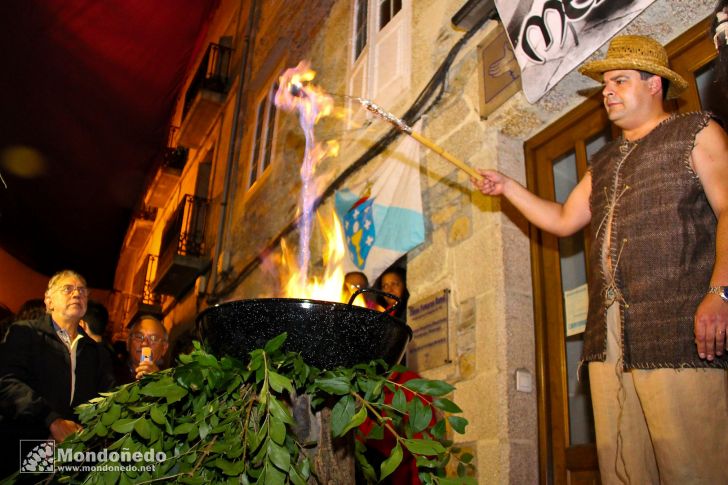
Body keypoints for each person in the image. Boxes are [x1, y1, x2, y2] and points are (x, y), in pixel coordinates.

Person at [472, 35, 728, 483]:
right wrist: (509, 187)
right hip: (607, 341)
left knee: (693, 465)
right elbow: (563, 219)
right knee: (623, 468)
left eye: (619, 81)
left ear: (654, 85)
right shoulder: (604, 160)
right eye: (605, 83)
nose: (607, 91)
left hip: (677, 329)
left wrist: (721, 292)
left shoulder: (697, 130)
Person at [0, 270, 115, 478]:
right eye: (68, 289)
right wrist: (52, 421)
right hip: (25, 451)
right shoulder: (25, 333)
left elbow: (108, 400)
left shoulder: (97, 352)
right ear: (49, 301)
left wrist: (82, 435)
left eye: (82, 291)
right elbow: (7, 382)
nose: (77, 294)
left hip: (75, 459)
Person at [115, 315, 169, 384]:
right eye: (139, 337)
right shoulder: (109, 374)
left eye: (153, 338)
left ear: (164, 348)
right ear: (128, 343)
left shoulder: (173, 384)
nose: (144, 344)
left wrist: (159, 383)